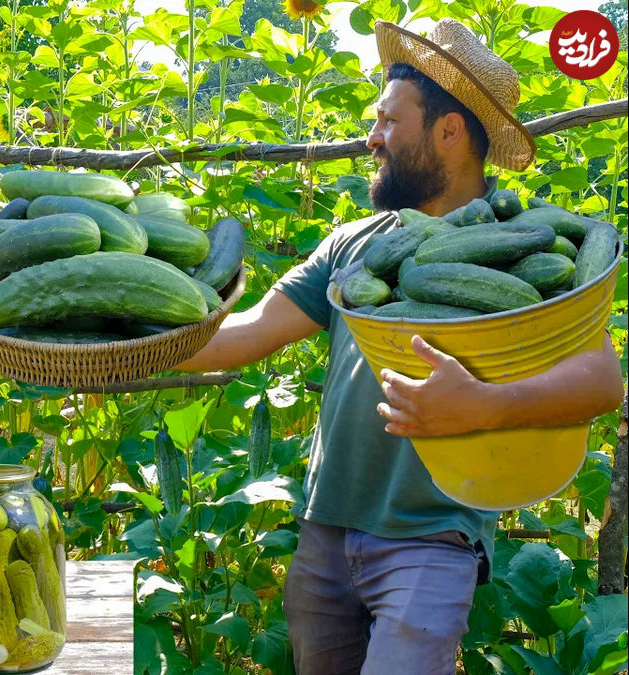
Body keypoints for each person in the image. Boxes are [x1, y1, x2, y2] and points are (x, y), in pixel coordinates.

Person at [177, 19, 623, 674]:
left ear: (449, 131)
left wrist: (483, 405)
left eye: (388, 121)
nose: (371, 137)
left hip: (433, 540)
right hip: (326, 534)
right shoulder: (356, 244)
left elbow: (602, 381)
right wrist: (124, 342)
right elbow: (243, 335)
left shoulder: (529, 240)